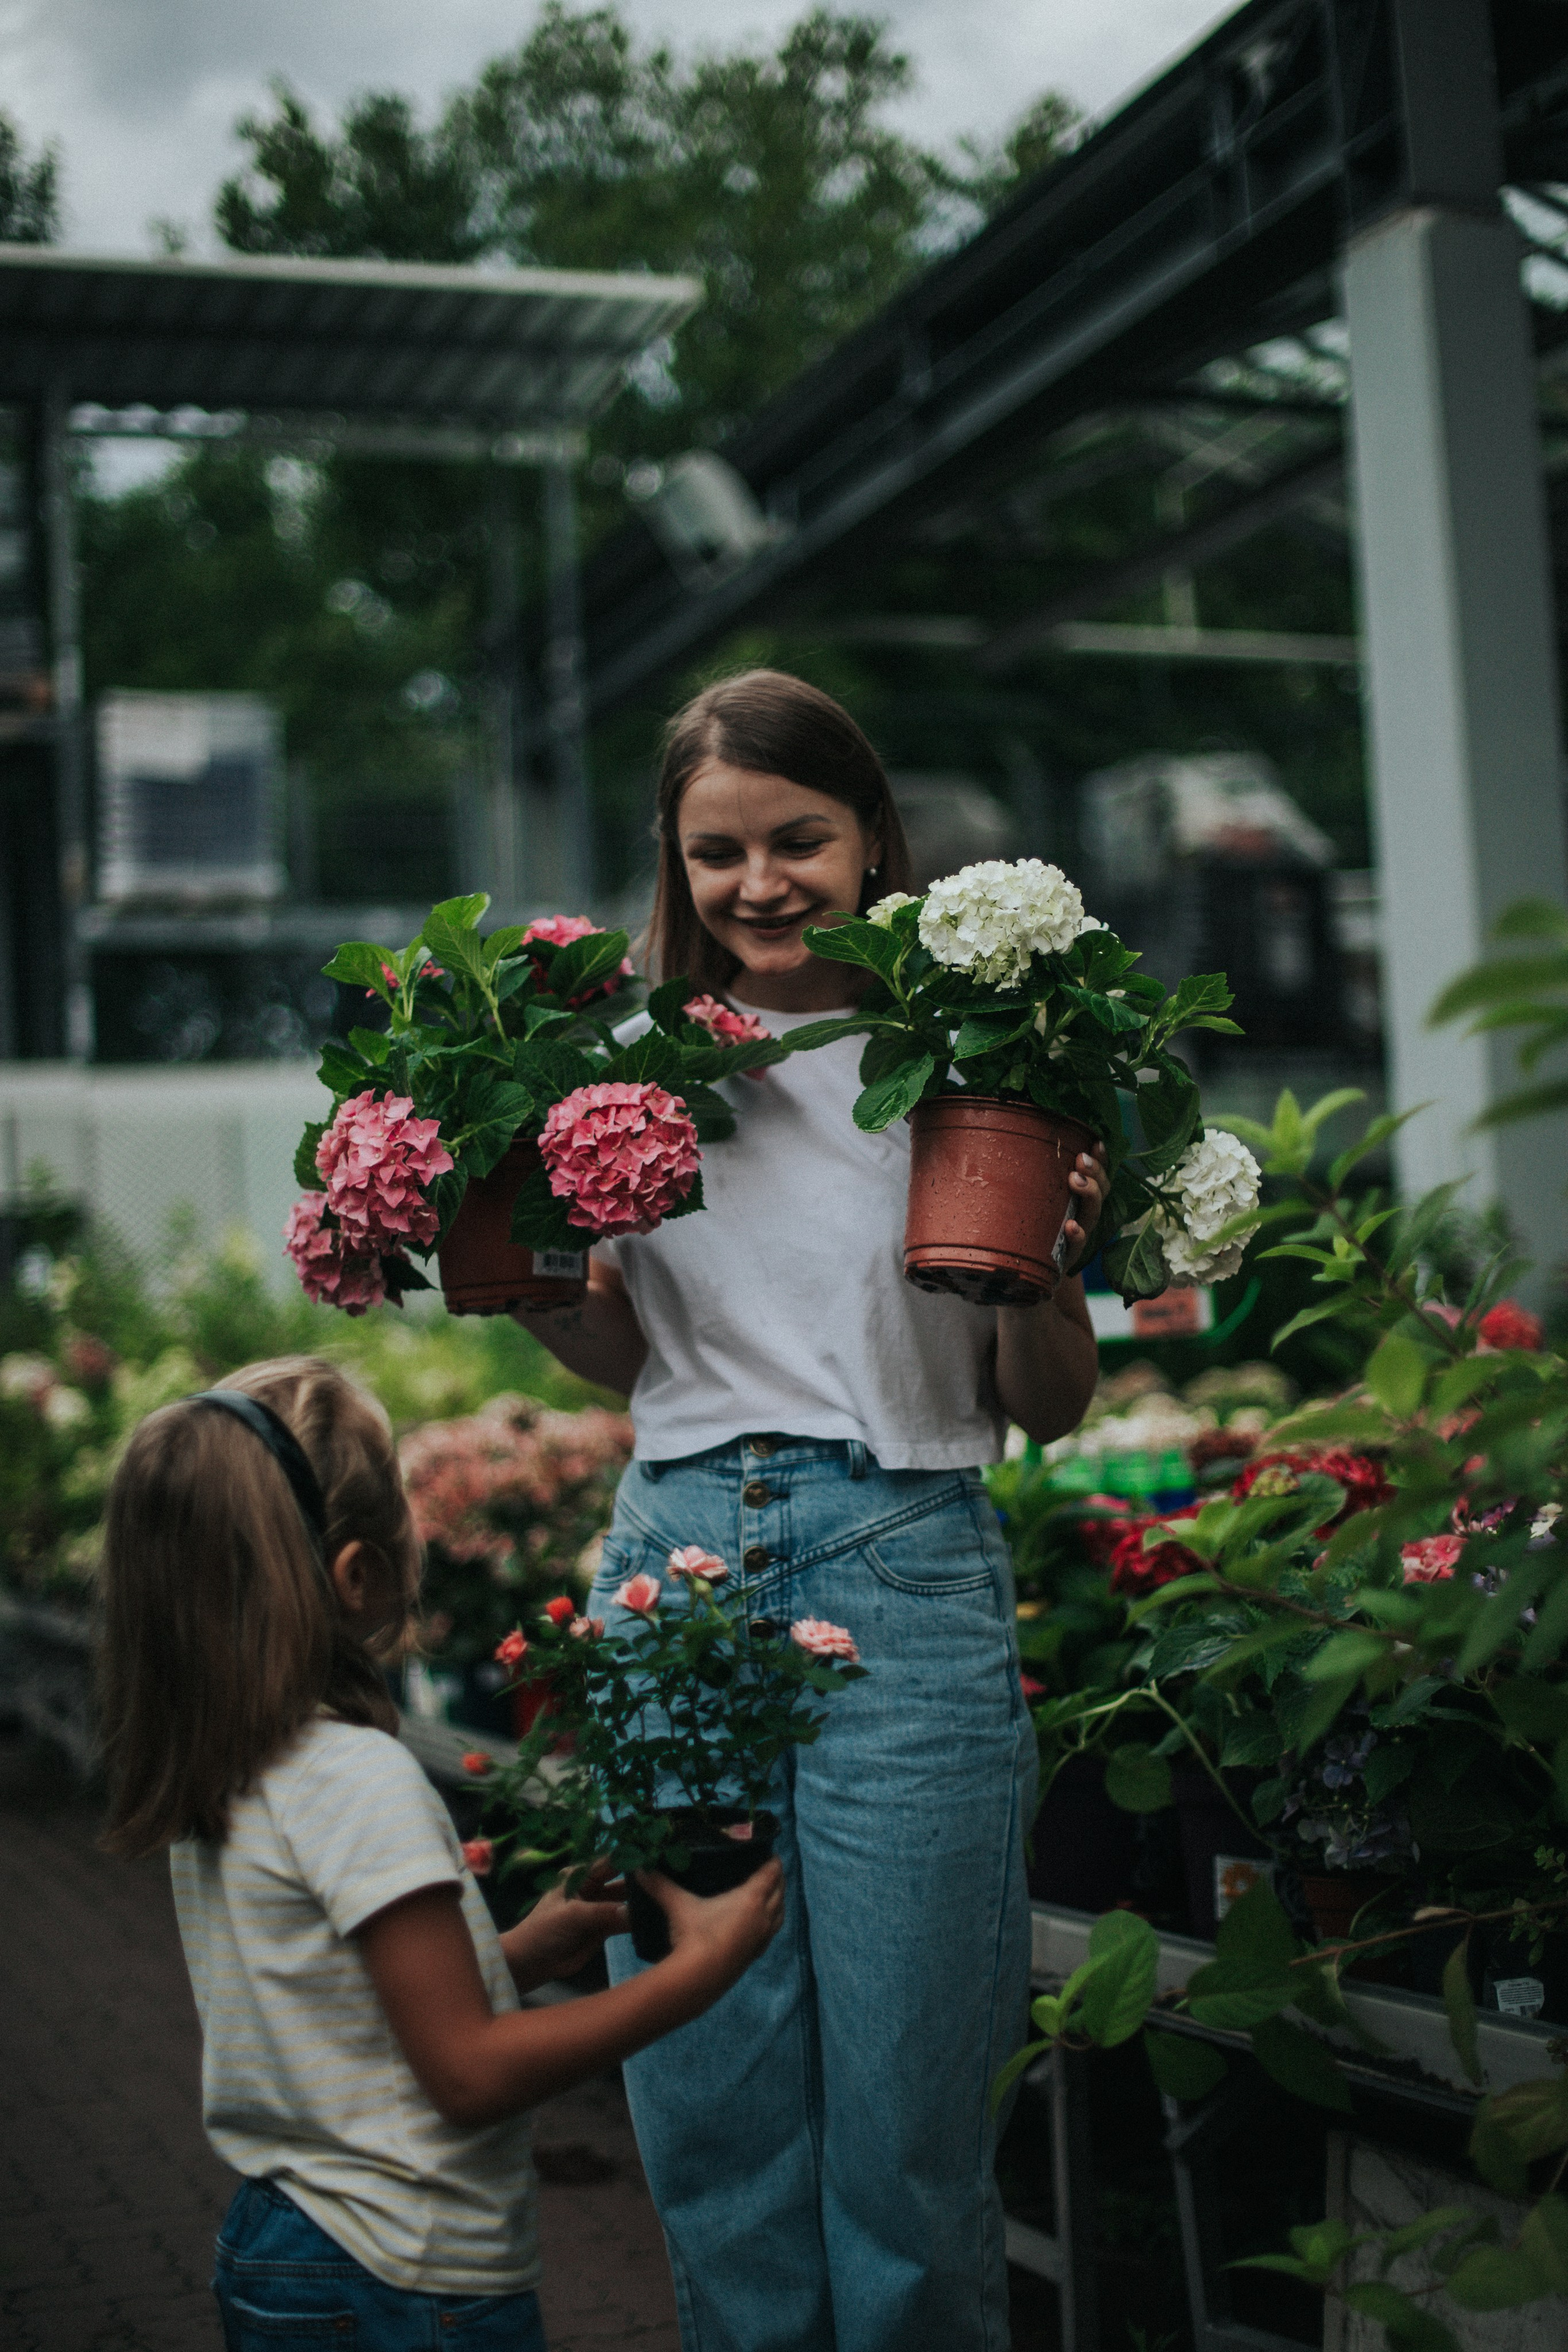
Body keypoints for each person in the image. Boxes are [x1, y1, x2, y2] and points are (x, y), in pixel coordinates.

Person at [515, 671, 1110, 2352]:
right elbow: (622, 1354)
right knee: (711, 2119)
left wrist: (1053, 1266)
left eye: (799, 839)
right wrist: (524, 1267)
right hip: (678, 1567)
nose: (758, 882)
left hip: (905, 1560)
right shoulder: (621, 1066)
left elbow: (1046, 1401)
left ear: (871, 842)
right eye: (718, 852)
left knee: (916, 2134)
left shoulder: (971, 1052)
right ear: (673, 864)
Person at [97, 1354, 783, 2350]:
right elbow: (469, 2073)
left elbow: (347, 2018)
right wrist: (700, 1975)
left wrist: (523, 1952)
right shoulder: (358, 1782)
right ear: (357, 1574)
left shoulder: (229, 1769)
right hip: (401, 2277)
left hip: (289, 2245)